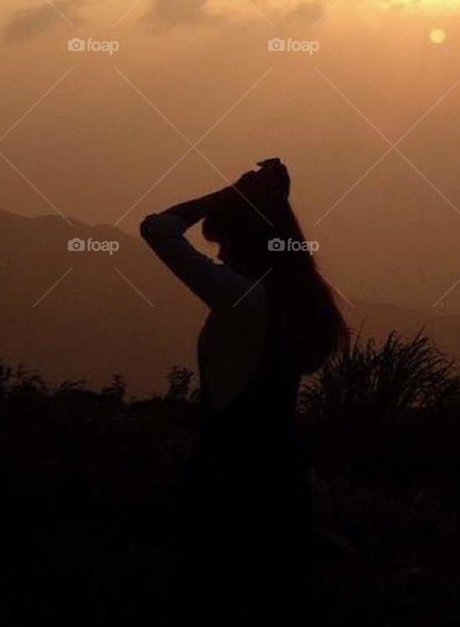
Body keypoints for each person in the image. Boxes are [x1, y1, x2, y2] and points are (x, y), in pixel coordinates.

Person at [140, 158, 347, 615]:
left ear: (244, 244)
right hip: (283, 482)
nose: (217, 256)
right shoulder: (298, 302)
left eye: (223, 244)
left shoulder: (242, 297)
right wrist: (270, 205)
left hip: (226, 481)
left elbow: (158, 228)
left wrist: (232, 193)